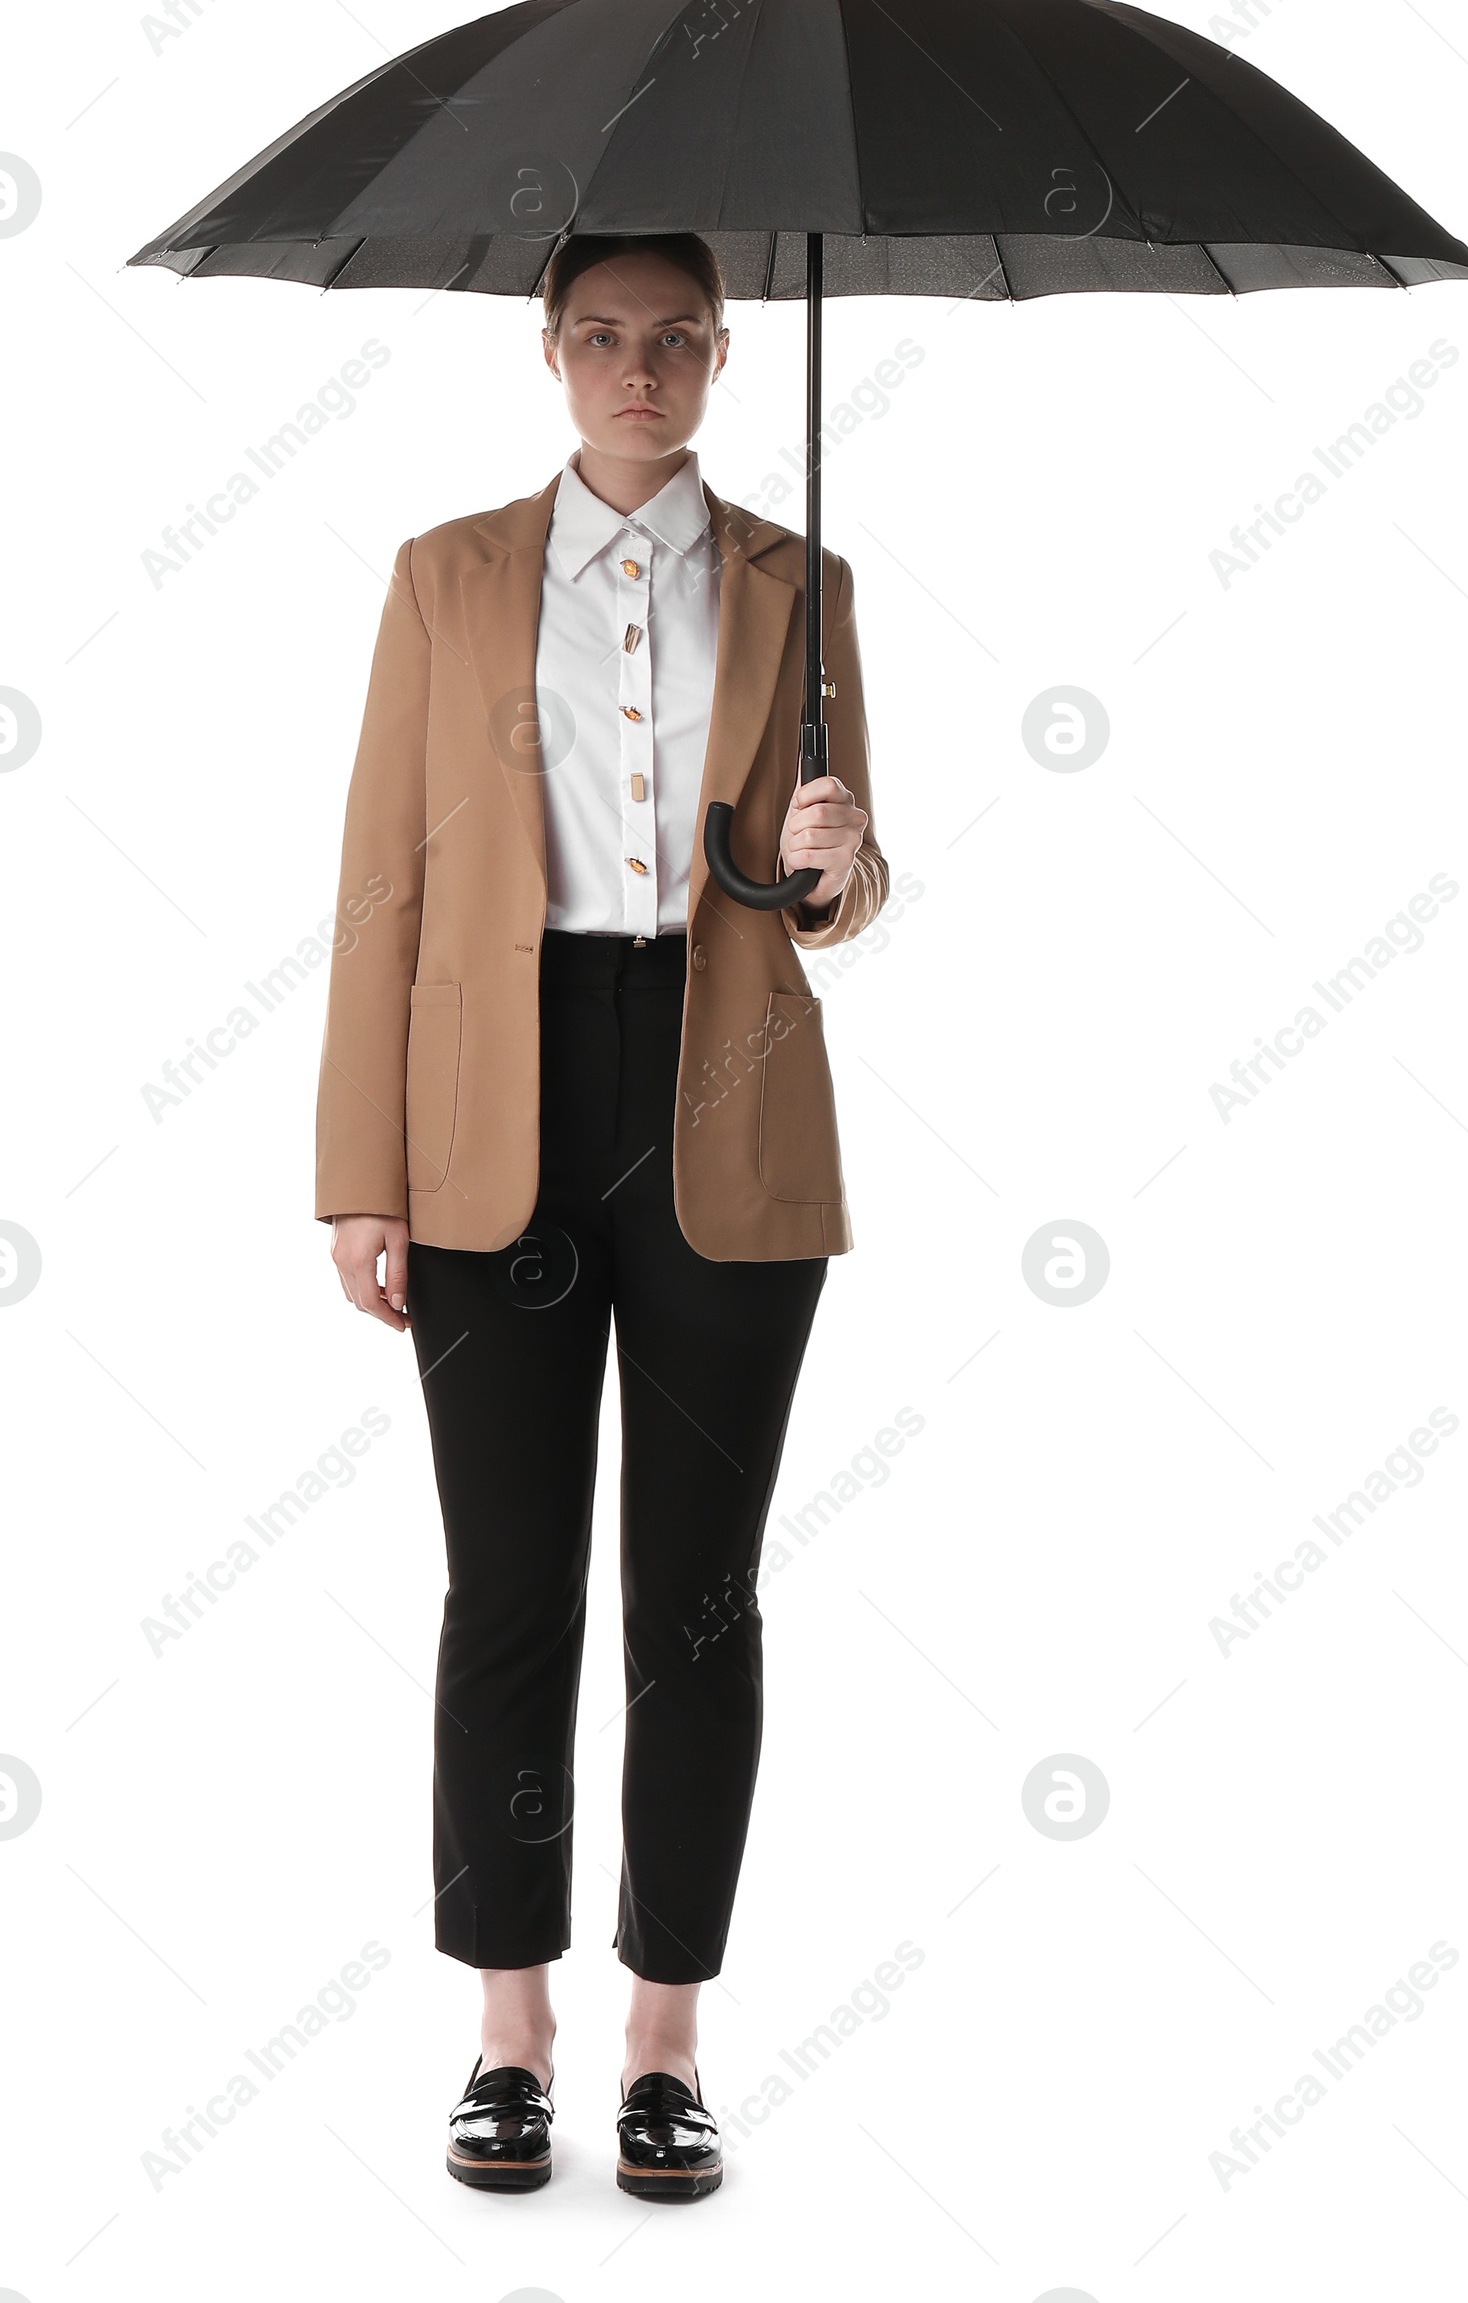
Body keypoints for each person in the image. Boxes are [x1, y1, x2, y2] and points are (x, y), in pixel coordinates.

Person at [313, 231, 888, 2201]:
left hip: (722, 1100)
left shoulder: (798, 587)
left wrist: (832, 859)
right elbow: (381, 883)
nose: (639, 371)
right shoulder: (444, 579)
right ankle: (507, 2027)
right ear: (549, 352)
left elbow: (840, 888)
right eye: (604, 340)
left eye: (676, 342)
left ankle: (663, 2037)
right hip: (496, 1099)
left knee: (698, 1599)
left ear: (725, 357)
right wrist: (359, 1171)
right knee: (508, 1587)